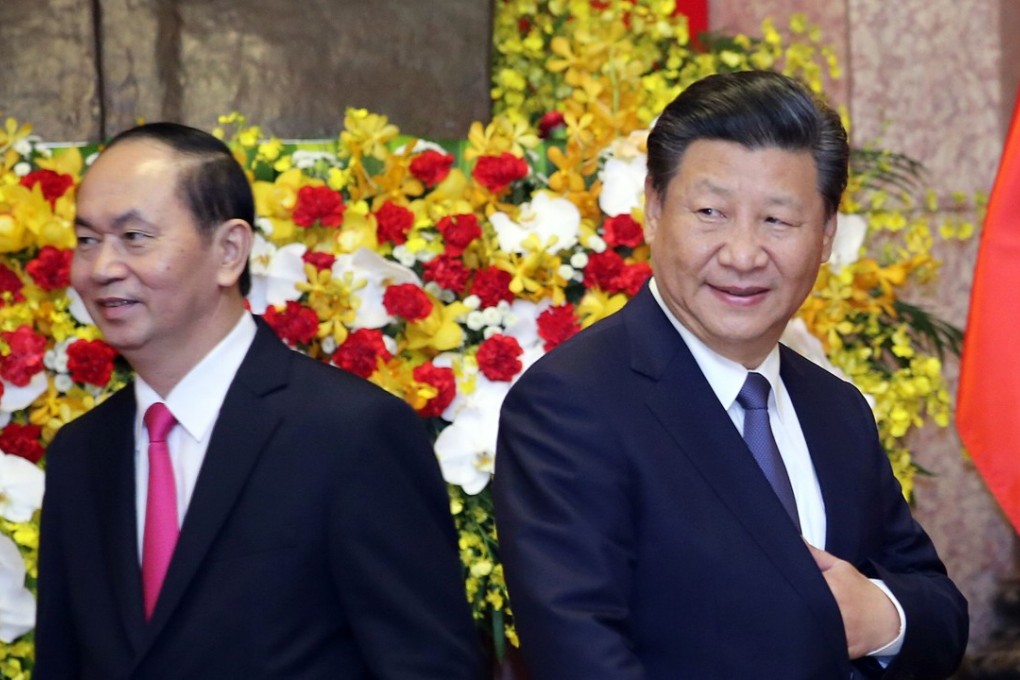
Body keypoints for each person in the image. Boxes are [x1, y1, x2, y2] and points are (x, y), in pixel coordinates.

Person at [493, 71, 968, 680]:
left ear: (825, 236)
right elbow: (581, 654)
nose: (743, 254)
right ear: (655, 209)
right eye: (712, 212)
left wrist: (881, 616)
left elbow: (941, 612)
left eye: (778, 221)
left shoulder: (836, 407)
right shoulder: (570, 402)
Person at [35, 122, 486, 679]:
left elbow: (430, 666)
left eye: (135, 237)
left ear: (229, 251)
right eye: (86, 240)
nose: (102, 268)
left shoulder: (350, 434)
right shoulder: (81, 454)